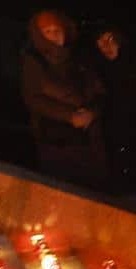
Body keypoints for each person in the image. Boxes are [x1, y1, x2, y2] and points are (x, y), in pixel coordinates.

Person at [20, 10, 104, 188]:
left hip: (88, 141)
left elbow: (98, 92)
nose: (54, 36)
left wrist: (91, 113)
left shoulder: (80, 58)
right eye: (47, 32)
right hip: (55, 142)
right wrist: (70, 116)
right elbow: (34, 98)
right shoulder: (34, 61)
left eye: (57, 30)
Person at [87, 25, 136, 191]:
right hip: (109, 130)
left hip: (135, 129)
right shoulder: (95, 69)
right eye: (101, 42)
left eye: (110, 39)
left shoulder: (135, 64)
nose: (107, 46)